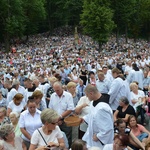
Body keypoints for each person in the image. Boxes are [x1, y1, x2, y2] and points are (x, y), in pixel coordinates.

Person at [82, 84, 114, 149]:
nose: (87, 97)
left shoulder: (102, 108)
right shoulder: (93, 102)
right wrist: (83, 119)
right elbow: (92, 116)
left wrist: (99, 136)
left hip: (99, 140)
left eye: (87, 95)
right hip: (91, 135)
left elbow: (108, 128)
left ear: (91, 93)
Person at [48, 81, 75, 148]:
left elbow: (70, 109)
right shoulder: (53, 96)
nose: (57, 92)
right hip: (55, 121)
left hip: (66, 121)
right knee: (56, 137)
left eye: (58, 90)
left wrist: (60, 118)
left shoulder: (68, 95)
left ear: (62, 88)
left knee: (67, 138)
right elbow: (50, 109)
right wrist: (55, 120)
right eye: (55, 90)